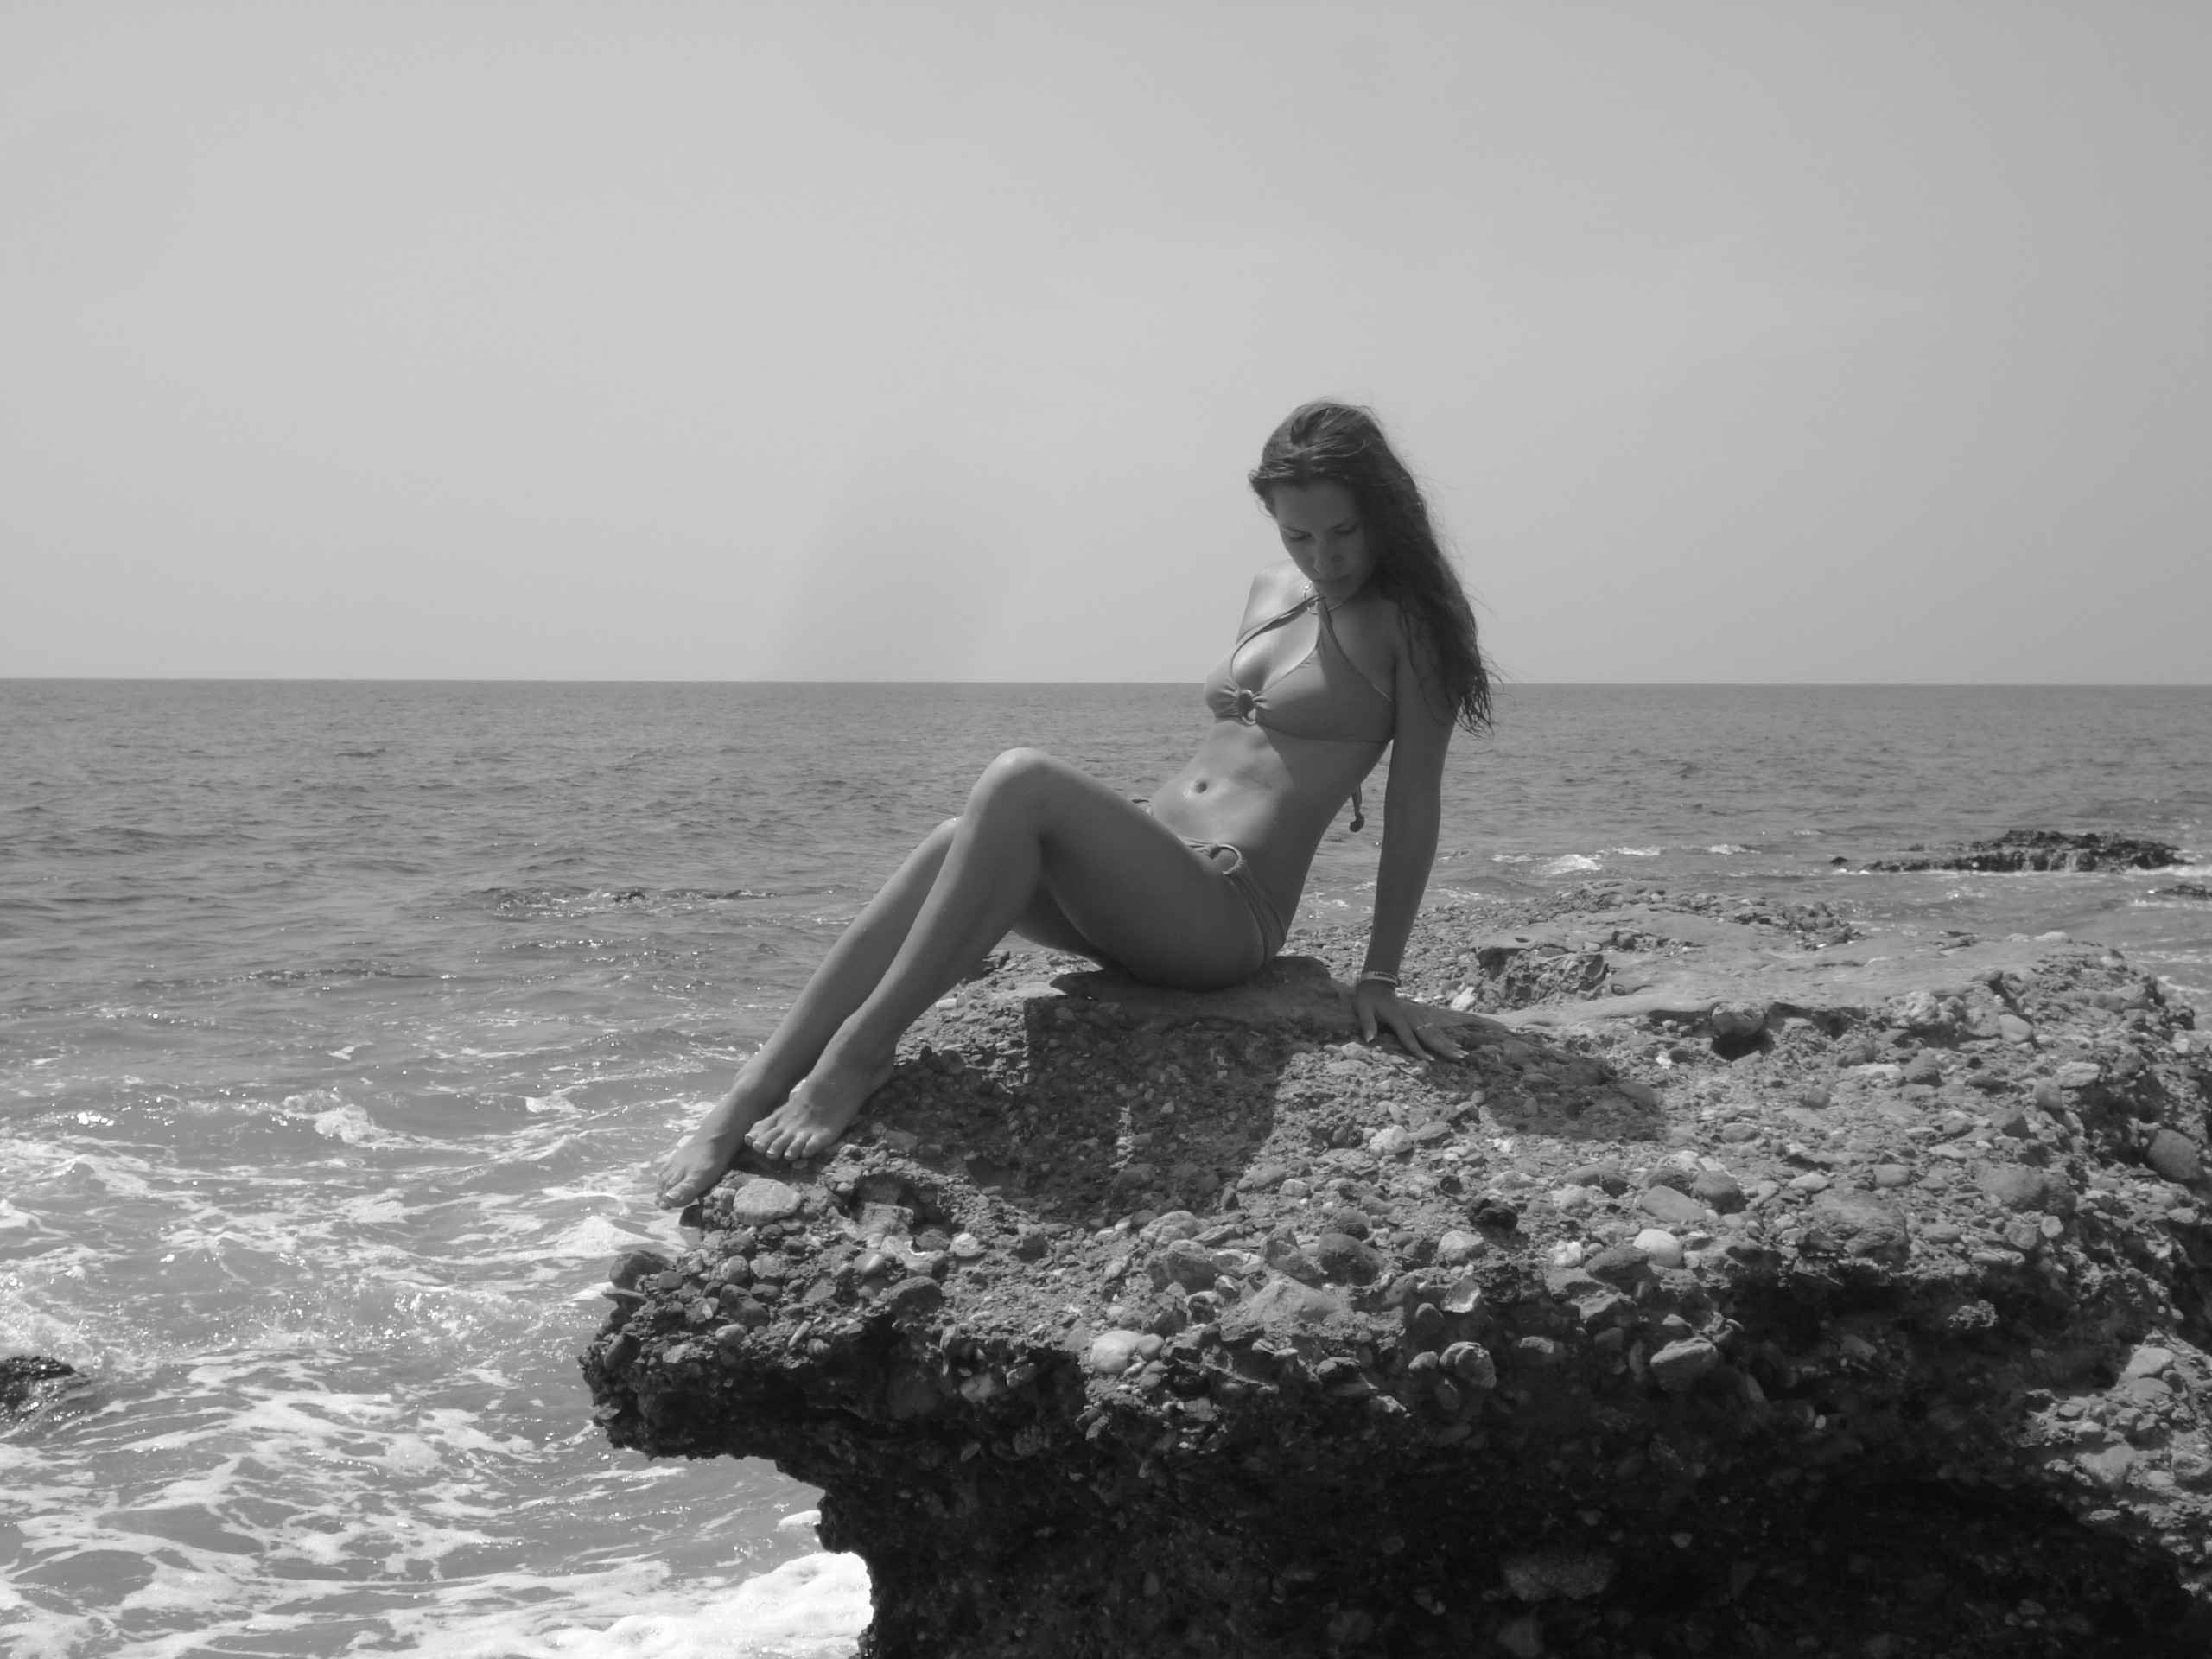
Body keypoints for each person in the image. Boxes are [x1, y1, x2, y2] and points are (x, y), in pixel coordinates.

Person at [655, 400, 1493, 1205]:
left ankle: (856, 1056)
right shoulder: (1273, 590)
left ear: (1383, 512)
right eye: (1298, 534)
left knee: (1020, 778)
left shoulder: (1410, 625)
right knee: (953, 839)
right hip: (1149, 888)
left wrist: (1380, 977)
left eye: (1344, 531)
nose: (1324, 557)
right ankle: (750, 1091)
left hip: (1224, 914)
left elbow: (1413, 806)